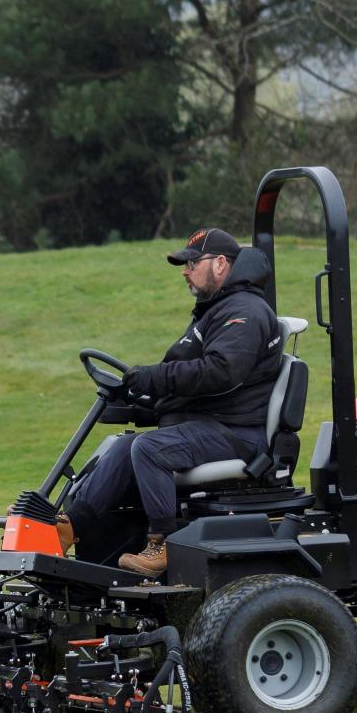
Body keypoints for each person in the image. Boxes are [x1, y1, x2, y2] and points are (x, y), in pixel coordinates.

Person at [58, 227, 284, 576]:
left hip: (238, 433)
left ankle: (162, 543)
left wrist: (153, 378)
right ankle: (70, 527)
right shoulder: (214, 311)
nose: (185, 271)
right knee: (122, 447)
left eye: (193, 262)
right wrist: (143, 400)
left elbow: (222, 372)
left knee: (150, 449)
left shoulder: (245, 312)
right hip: (209, 424)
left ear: (221, 264)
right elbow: (190, 381)